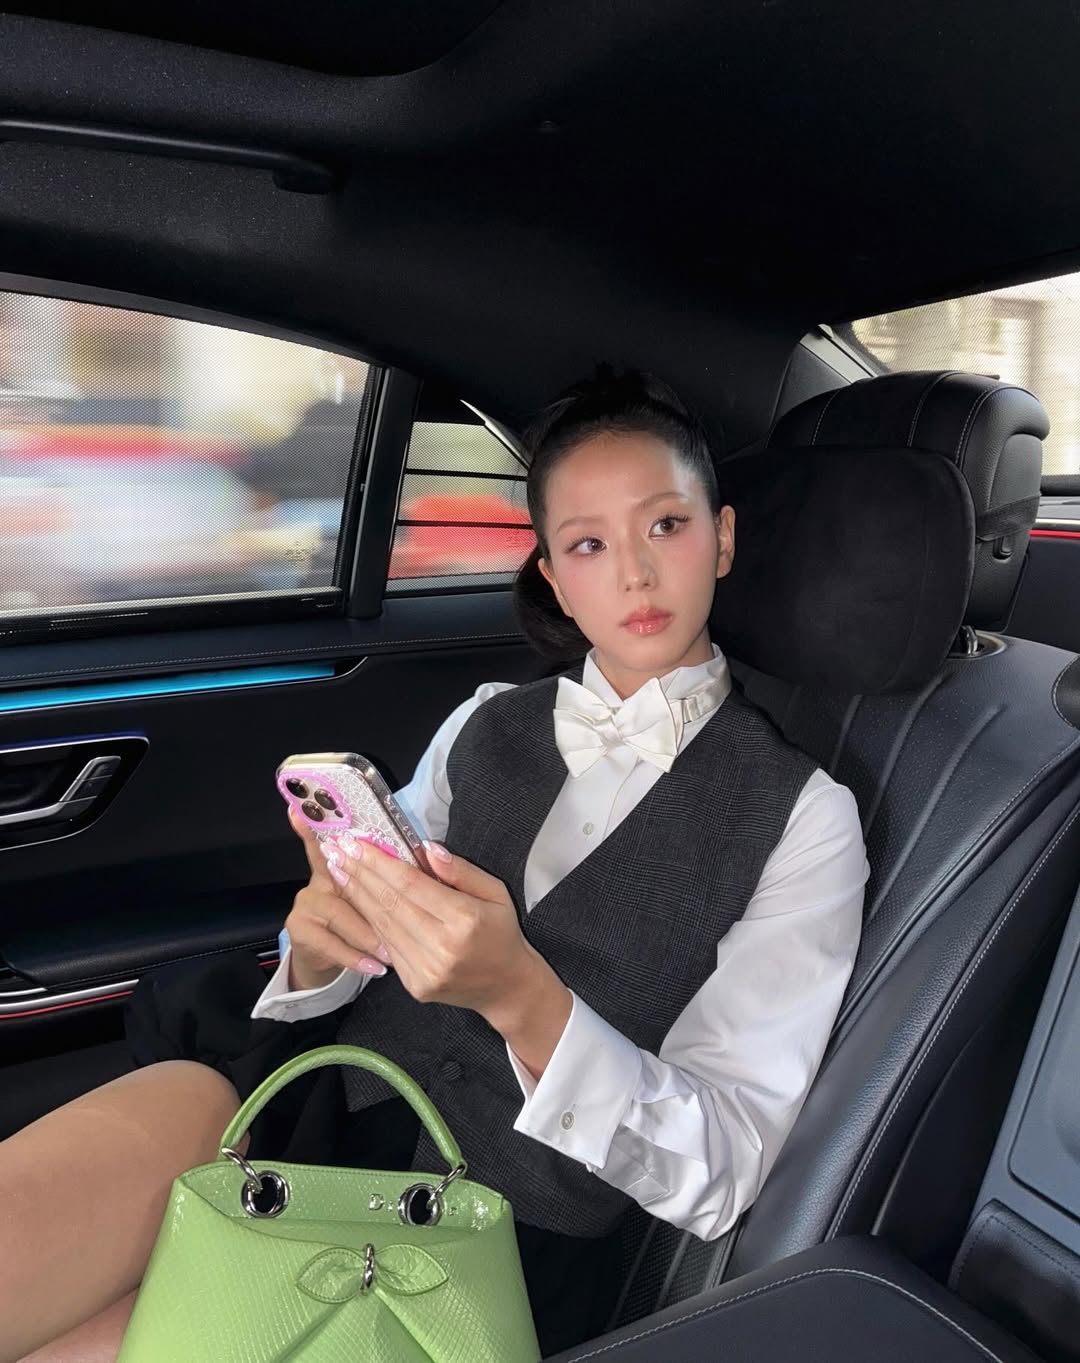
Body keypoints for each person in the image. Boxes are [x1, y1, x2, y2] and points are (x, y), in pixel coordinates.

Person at [0, 368, 867, 1362]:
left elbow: (724, 1163)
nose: (633, 572)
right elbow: (360, 936)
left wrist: (525, 1000)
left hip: (485, 1237)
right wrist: (322, 942)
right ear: (553, 576)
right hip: (313, 1102)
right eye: (588, 543)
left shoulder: (806, 818)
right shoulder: (484, 722)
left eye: (664, 525)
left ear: (722, 537)